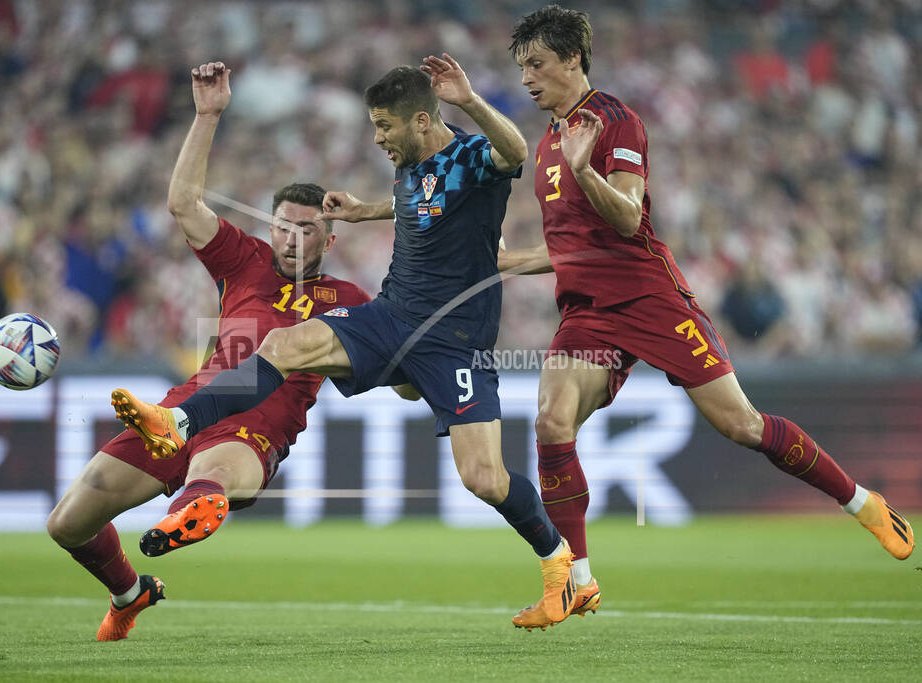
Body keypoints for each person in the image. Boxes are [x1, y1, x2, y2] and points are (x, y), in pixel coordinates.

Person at [112, 56, 582, 630]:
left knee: (483, 477)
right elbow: (418, 202)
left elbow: (513, 151)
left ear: (420, 119)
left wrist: (468, 100)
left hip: (455, 341)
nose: (378, 137)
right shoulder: (410, 164)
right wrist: (366, 212)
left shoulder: (469, 157)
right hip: (390, 316)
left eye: (385, 126)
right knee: (286, 346)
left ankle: (563, 570)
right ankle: (177, 422)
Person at [497, 5, 914, 630]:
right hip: (587, 312)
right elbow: (568, 248)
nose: (526, 78)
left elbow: (627, 218)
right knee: (552, 420)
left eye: (536, 64)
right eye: (521, 66)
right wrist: (507, 261)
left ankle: (864, 503)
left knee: (741, 426)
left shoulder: (616, 123)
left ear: (573, 59)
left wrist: (586, 170)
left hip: (650, 300)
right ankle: (575, 583)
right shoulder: (551, 141)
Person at [46, 62, 375, 642]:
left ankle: (194, 511)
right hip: (178, 411)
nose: (293, 238)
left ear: (330, 237)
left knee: (216, 472)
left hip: (256, 427)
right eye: (284, 226)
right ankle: (130, 593)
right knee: (68, 524)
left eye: (307, 229)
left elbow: (384, 366)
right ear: (271, 228)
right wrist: (206, 116)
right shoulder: (241, 260)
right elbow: (183, 204)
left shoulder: (348, 298)